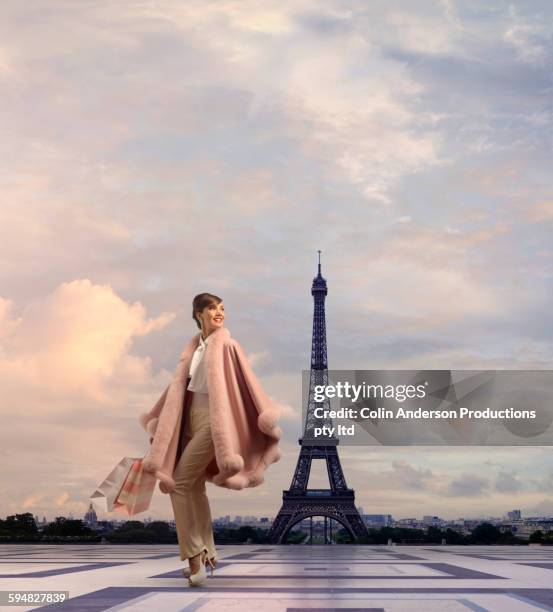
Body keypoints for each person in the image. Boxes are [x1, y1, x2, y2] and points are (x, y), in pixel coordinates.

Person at [147, 292, 281, 587]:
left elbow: (246, 385)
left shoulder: (229, 346)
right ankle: (207, 548)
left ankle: (195, 556)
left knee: (178, 483)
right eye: (212, 308)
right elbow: (178, 390)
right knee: (192, 486)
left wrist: (262, 416)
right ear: (198, 314)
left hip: (214, 421)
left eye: (222, 308)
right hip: (189, 418)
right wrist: (161, 421)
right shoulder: (193, 348)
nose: (219, 312)